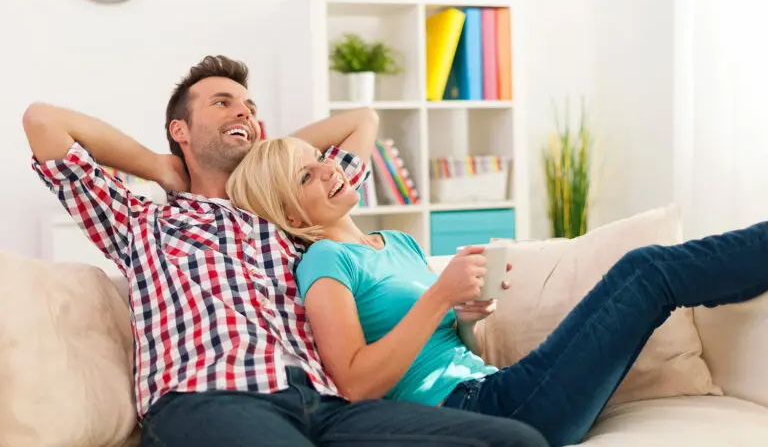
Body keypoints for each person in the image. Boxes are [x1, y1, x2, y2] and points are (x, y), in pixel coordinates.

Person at [23, 55, 549, 447]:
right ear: (179, 130)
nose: (244, 112)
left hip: (325, 405)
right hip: (212, 399)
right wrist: (158, 166)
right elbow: (43, 121)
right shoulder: (143, 222)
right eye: (222, 103)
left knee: (517, 441)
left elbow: (362, 120)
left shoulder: (290, 212)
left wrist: (267, 157)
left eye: (250, 108)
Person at [227, 134, 768, 447]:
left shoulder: (397, 242)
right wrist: (438, 297)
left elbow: (451, 348)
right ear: (288, 213)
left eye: (319, 158)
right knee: (644, 273)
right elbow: (354, 382)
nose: (328, 171)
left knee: (646, 276)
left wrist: (465, 316)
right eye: (305, 177)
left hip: (497, 386)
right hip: (481, 411)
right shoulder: (325, 261)